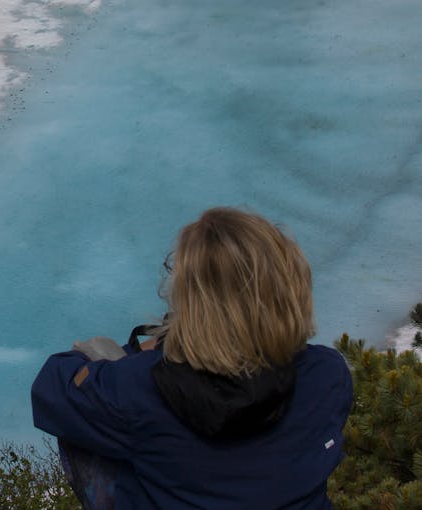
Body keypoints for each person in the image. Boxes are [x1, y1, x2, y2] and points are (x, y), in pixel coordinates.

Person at [31, 207, 353, 509]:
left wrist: (145, 351)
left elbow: (50, 389)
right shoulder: (327, 375)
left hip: (143, 429)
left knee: (94, 369)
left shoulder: (143, 386)